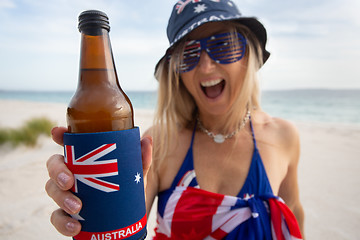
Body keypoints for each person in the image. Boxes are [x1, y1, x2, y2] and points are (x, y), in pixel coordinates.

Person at [46, 0, 305, 239]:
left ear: (247, 55)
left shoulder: (283, 136)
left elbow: (293, 213)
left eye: (223, 45)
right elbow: (121, 228)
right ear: (175, 71)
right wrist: (91, 208)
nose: (205, 67)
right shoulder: (158, 142)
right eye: (189, 54)